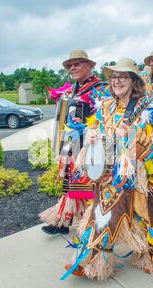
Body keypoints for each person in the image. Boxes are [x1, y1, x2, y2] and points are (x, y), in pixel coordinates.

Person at [62, 58, 153, 280]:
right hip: (108, 172)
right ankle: (93, 262)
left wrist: (134, 135)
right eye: (113, 77)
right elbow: (94, 126)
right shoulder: (105, 105)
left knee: (145, 216)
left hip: (140, 174)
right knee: (102, 214)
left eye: (123, 76)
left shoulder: (148, 108)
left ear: (133, 81)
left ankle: (152, 255)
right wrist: (90, 134)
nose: (117, 81)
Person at [40, 50, 106, 235]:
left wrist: (87, 128)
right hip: (70, 146)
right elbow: (64, 116)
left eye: (77, 64)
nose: (72, 68)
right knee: (70, 184)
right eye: (70, 65)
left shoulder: (100, 89)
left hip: (90, 146)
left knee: (88, 186)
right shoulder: (70, 91)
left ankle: (90, 225)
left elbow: (104, 118)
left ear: (89, 65)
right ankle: (63, 221)